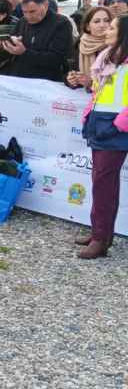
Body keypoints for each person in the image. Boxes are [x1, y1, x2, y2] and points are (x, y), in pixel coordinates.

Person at [76, 15, 128, 259]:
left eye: (112, 27)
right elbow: (98, 93)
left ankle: (100, 238)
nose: (107, 30)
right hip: (101, 125)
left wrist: (116, 126)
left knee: (104, 184)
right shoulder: (108, 58)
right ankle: (101, 233)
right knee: (102, 183)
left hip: (115, 130)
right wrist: (89, 116)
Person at [3, 0, 72, 82]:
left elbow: (57, 59)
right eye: (24, 12)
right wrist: (10, 44)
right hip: (20, 79)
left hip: (46, 82)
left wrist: (24, 52)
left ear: (46, 5)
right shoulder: (22, 21)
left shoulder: (61, 23)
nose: (28, 16)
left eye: (32, 11)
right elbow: (11, 46)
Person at [67, 6, 112, 90]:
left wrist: (91, 83)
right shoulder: (80, 44)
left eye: (106, 20)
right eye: (96, 21)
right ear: (88, 26)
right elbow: (70, 70)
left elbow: (116, 83)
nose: (102, 25)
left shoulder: (116, 46)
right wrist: (72, 80)